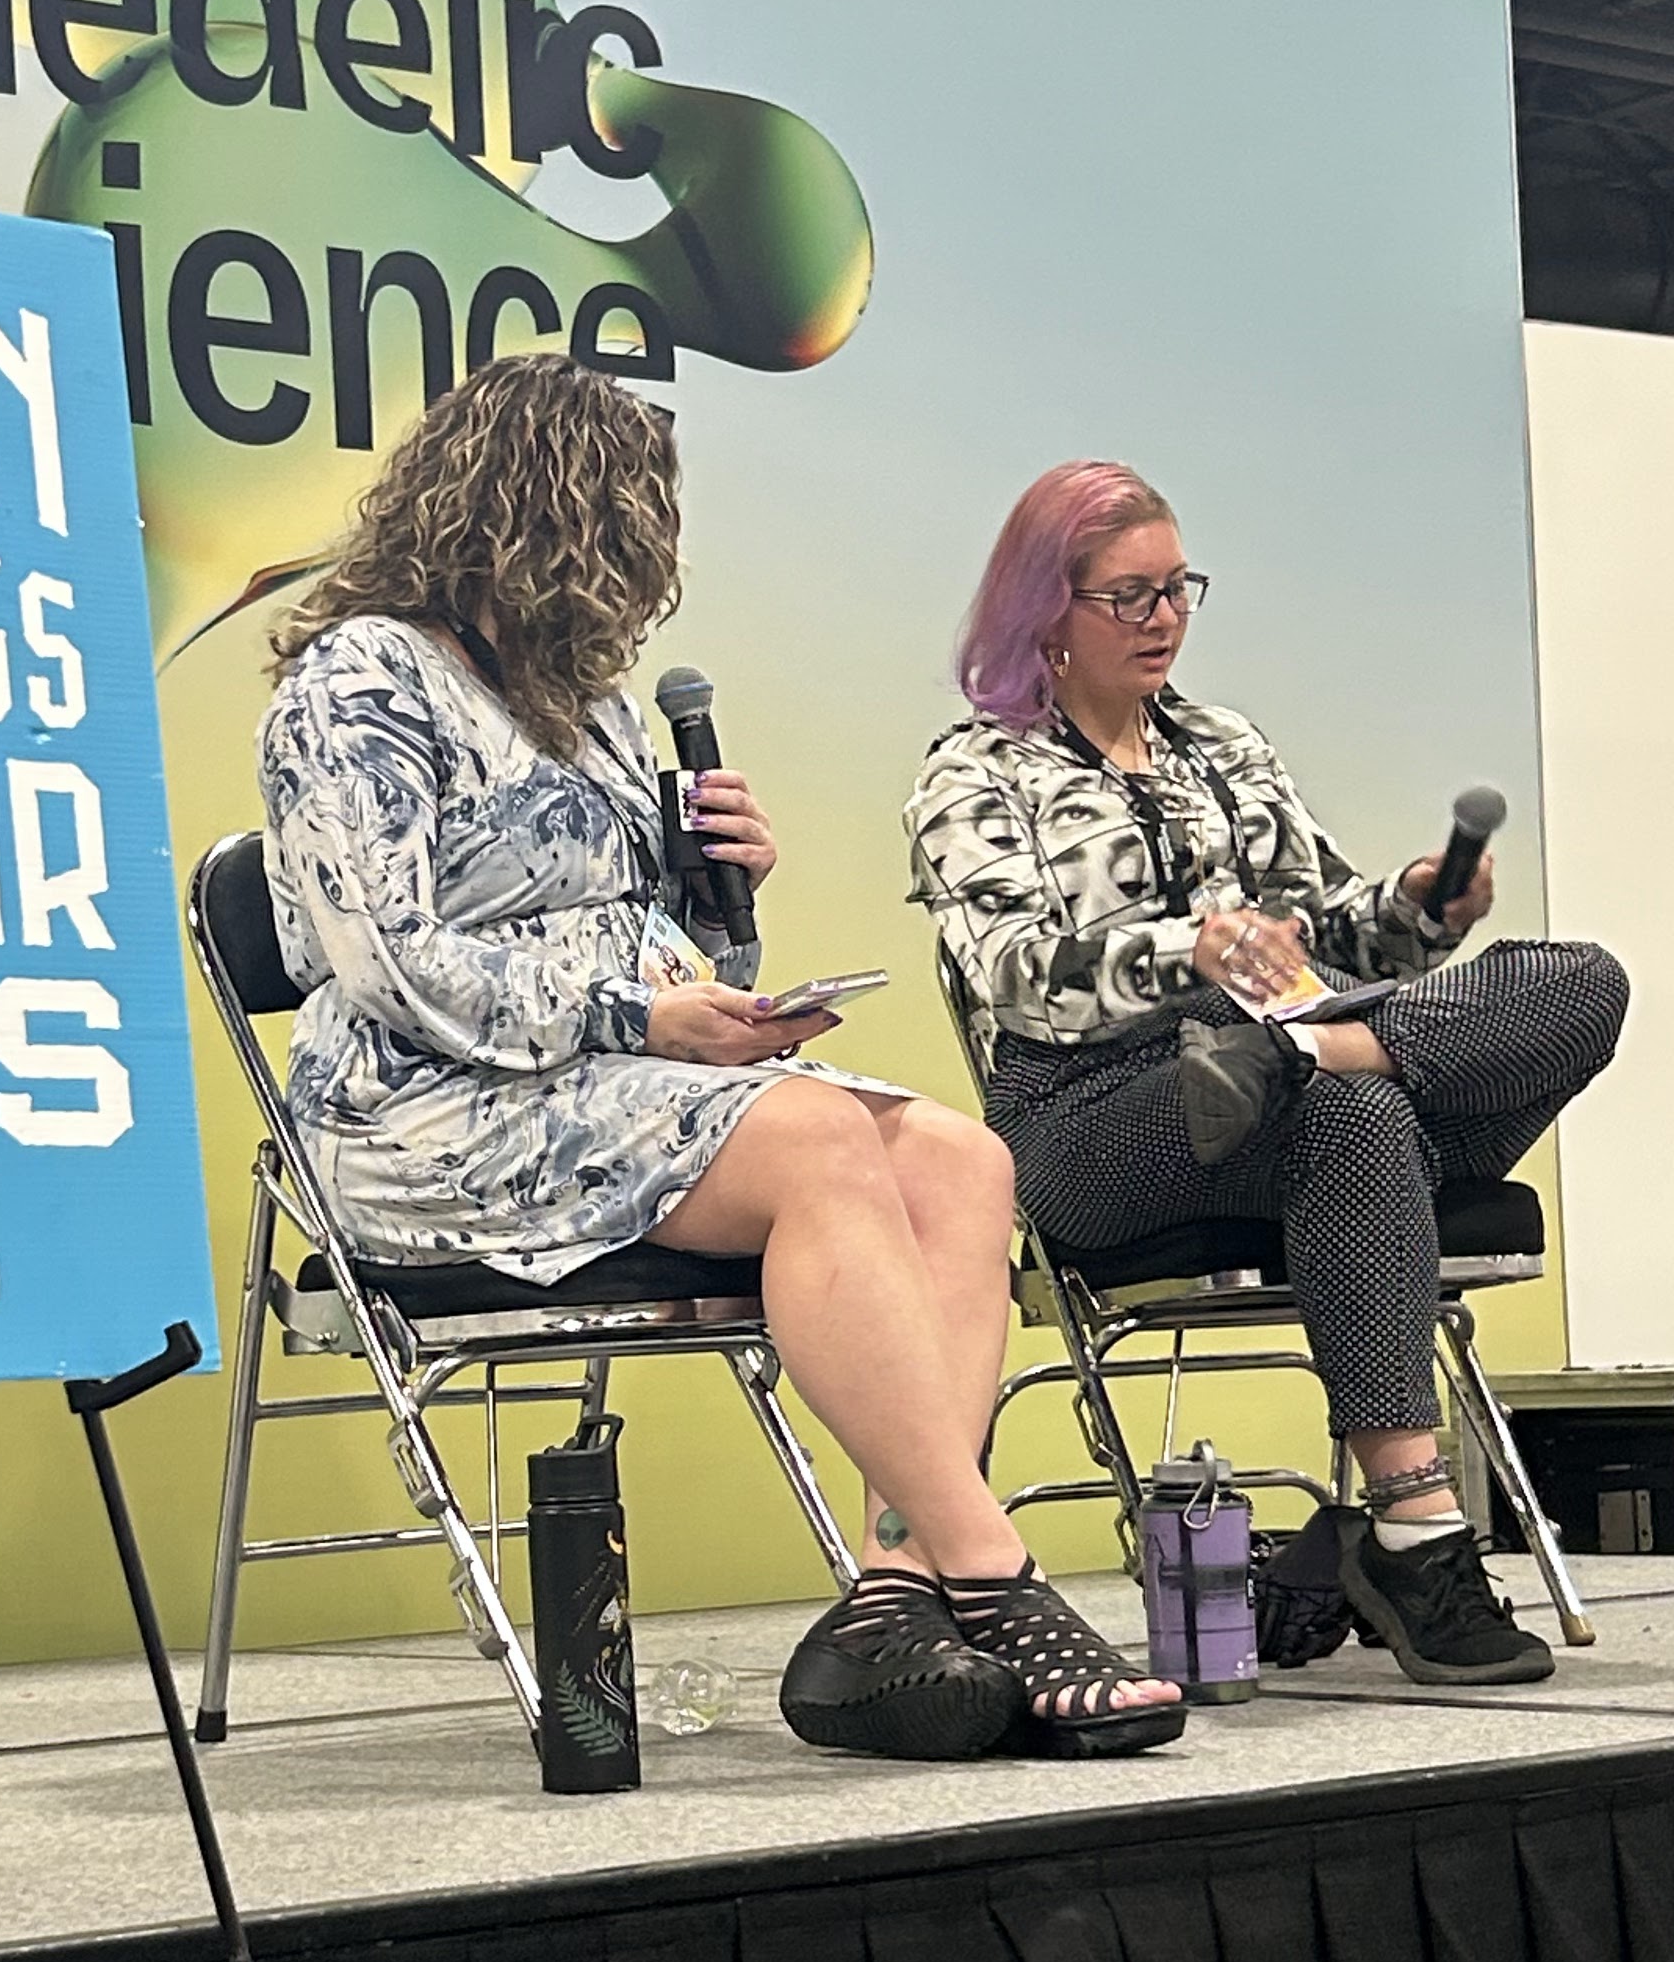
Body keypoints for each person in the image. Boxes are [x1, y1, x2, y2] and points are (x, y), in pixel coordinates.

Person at [255, 354, 1183, 1764]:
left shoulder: (598, 704)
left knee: (957, 1158)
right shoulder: (361, 679)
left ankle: (895, 1598)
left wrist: (716, 918)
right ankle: (995, 1574)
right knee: (817, 1143)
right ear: (542, 510)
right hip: (422, 1109)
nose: (651, 561)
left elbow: (666, 964)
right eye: (632, 520)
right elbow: (385, 960)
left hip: (606, 1088)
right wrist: (640, 1019)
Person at [906, 459, 1629, 1690]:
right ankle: (1418, 1533)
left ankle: (1315, 1055)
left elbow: (1327, 933)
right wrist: (1182, 949)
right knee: (1344, 1108)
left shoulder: (1226, 747)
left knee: (1579, 981)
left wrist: (1415, 911)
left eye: (1179, 589)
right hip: (1097, 1112)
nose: (1165, 620)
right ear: (1046, 607)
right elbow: (1017, 978)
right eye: (1129, 597)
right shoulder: (976, 774)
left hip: (1300, 1064)